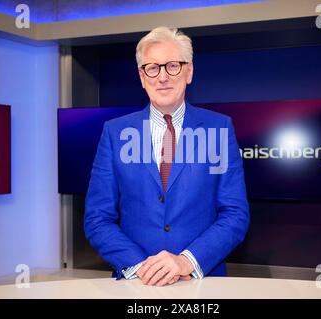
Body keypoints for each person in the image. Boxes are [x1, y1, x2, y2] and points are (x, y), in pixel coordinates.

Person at [84, 26, 249, 287]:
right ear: (141, 76)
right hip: (136, 283)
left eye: (173, 65)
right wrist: (142, 267)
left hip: (201, 282)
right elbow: (97, 218)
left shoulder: (219, 128)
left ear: (189, 71)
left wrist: (186, 261)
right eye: (153, 67)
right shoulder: (115, 133)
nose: (163, 77)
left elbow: (235, 214)